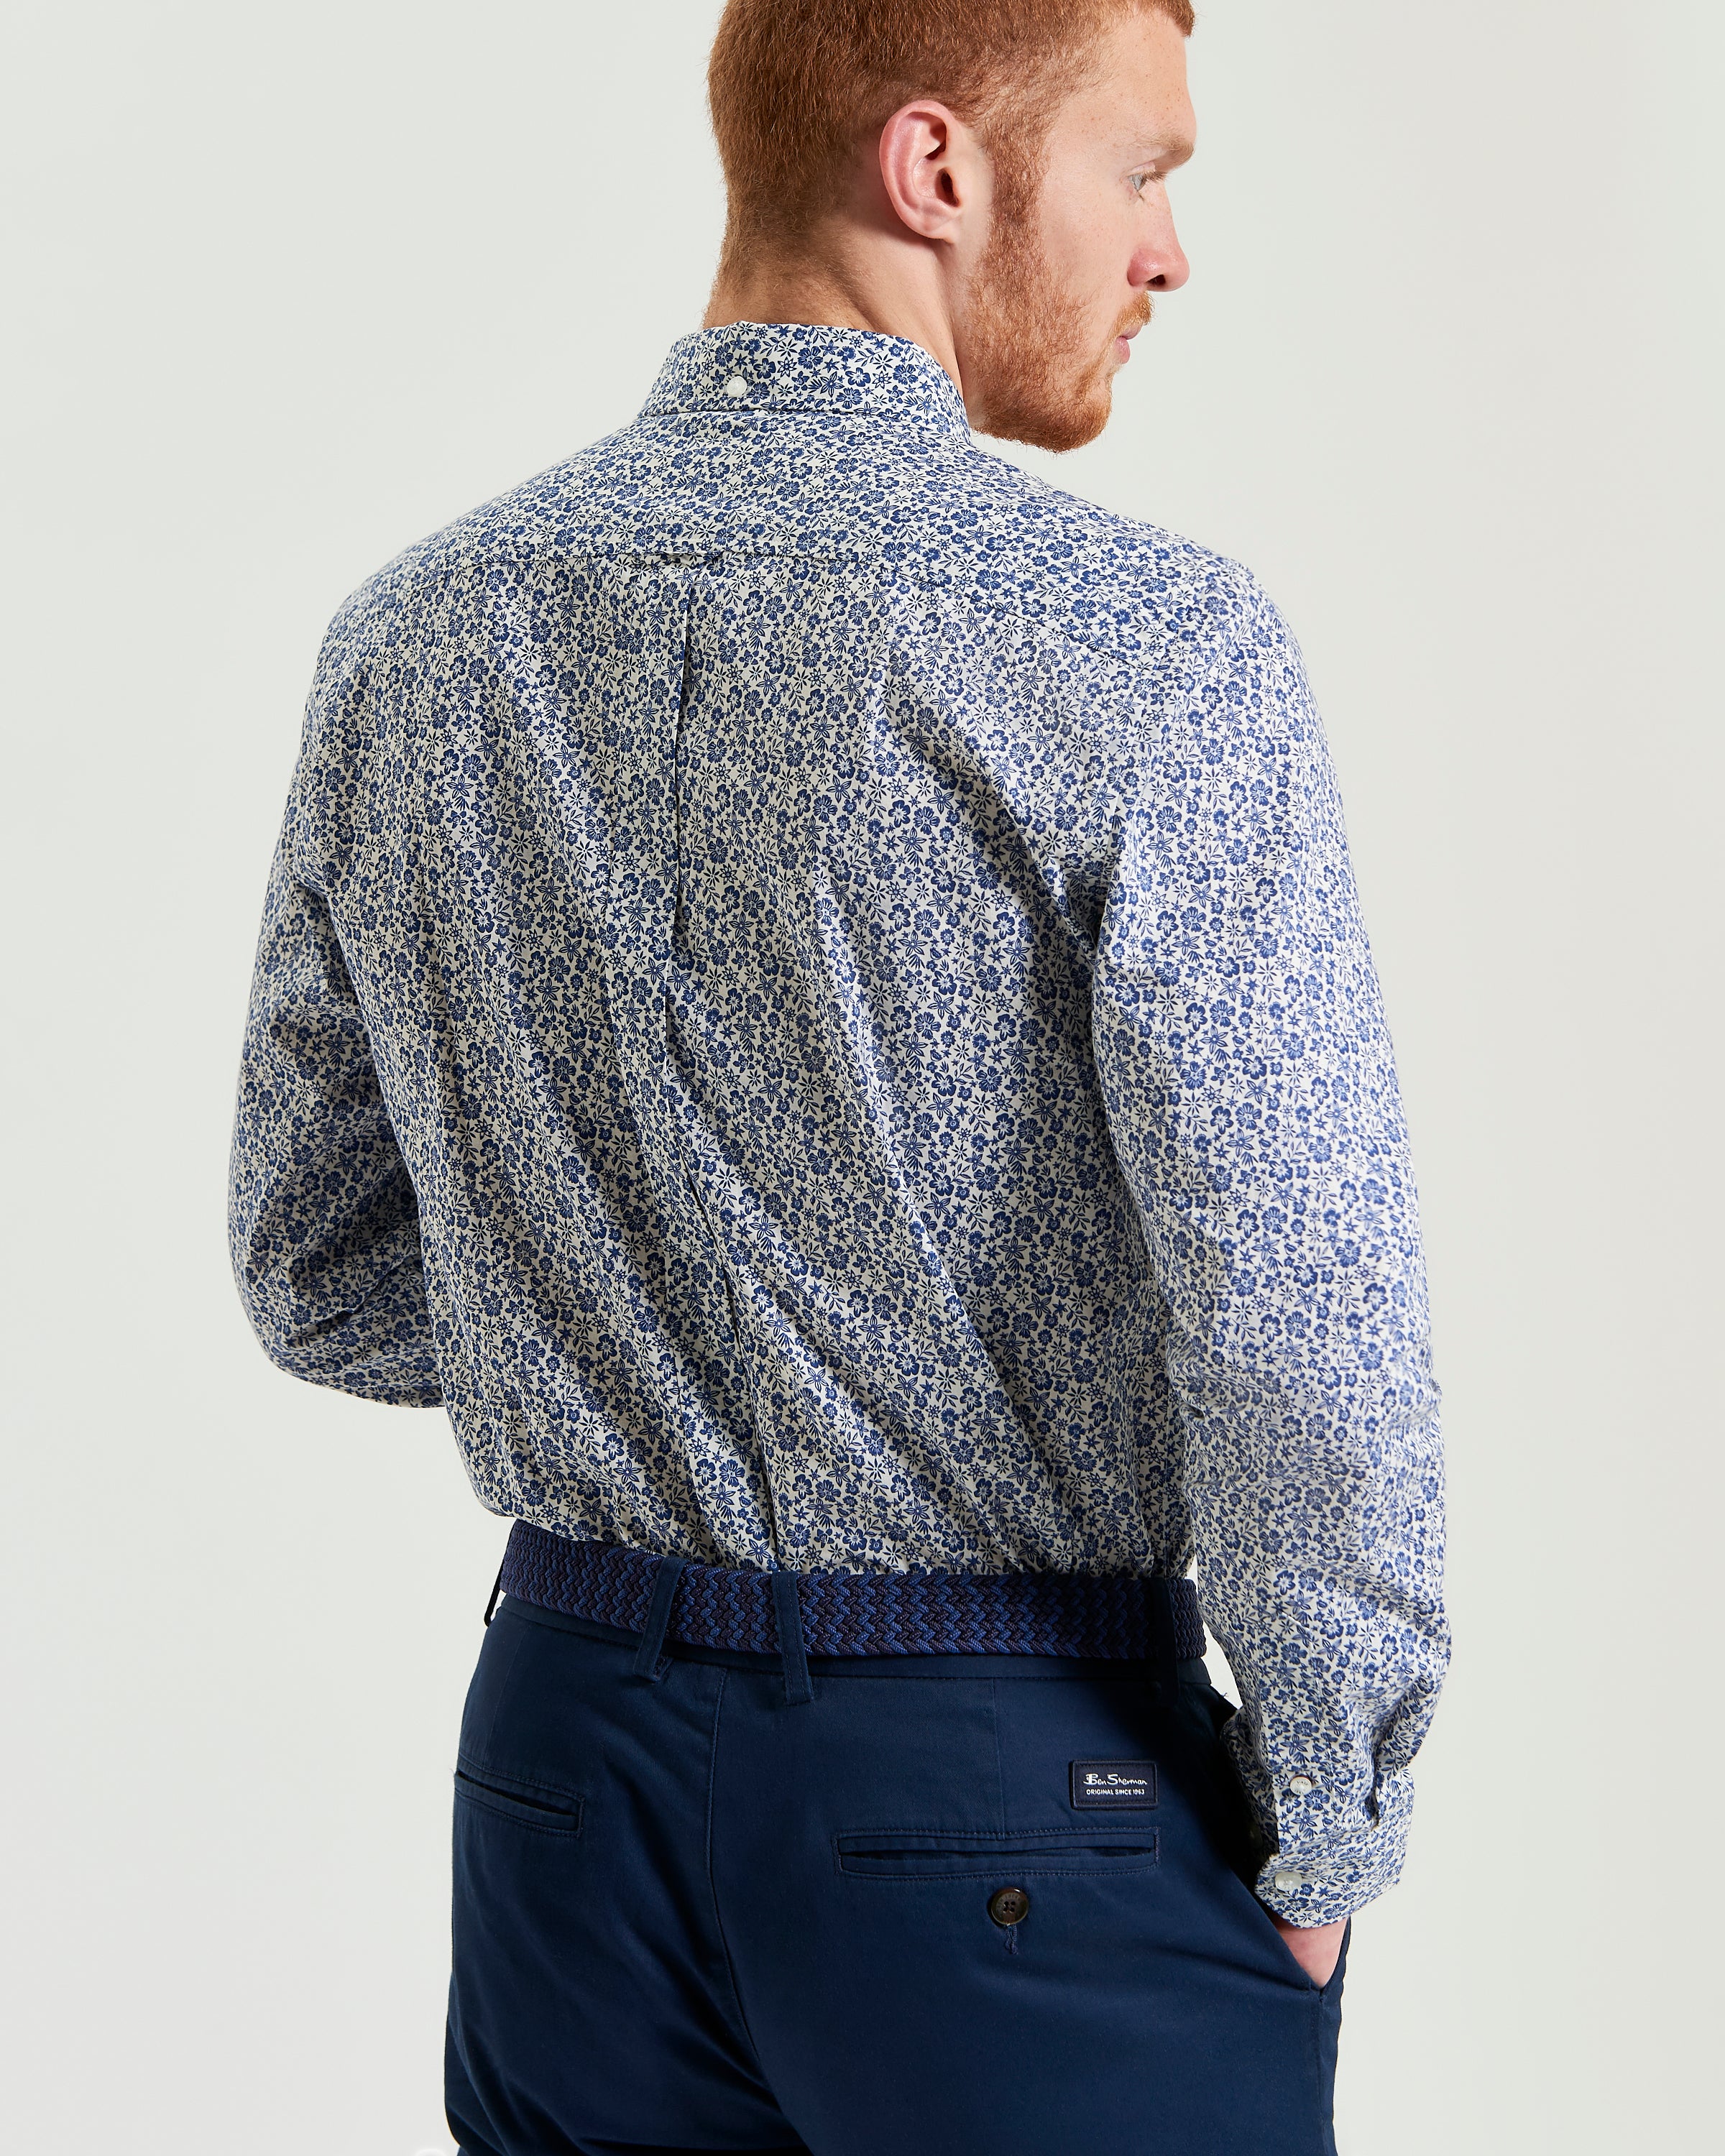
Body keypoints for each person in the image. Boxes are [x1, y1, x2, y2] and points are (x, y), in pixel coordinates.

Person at [228, 2, 1448, 2150]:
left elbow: (313, 1264)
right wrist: (1334, 1816)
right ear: (937, 169)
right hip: (1012, 1798)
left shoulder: (414, 637)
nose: (1172, 253)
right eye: (1144, 172)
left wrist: (627, 1331)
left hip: (562, 1785)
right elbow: (1297, 1315)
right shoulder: (1143, 645)